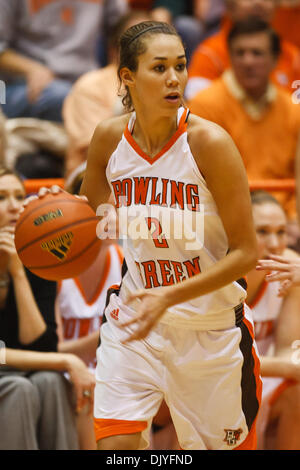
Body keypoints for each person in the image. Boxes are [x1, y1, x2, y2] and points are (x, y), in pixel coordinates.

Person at [79, 20, 261, 450]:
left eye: (180, 65)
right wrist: (52, 213)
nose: (174, 77)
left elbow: (246, 253)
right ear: (128, 77)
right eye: (158, 68)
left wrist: (170, 296)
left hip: (210, 330)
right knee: (117, 450)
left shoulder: (209, 143)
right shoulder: (109, 138)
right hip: (136, 321)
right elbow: (91, 220)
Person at [0, 167, 95, 450]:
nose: (15, 205)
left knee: (51, 382)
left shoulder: (37, 260)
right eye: (2, 197)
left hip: (20, 369)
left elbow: (41, 346)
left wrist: (18, 273)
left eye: (20, 195)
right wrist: (67, 361)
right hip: (11, 377)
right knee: (20, 389)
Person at [188, 18, 300, 222]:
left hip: (285, 223)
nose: (248, 61)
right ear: (229, 57)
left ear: (276, 59)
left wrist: (293, 219)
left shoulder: (294, 111)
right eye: (240, 53)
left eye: (257, 53)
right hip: (225, 222)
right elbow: (199, 183)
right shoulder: (203, 106)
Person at [55, 167, 124, 449]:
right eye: (103, 209)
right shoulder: (52, 266)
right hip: (65, 375)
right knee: (91, 389)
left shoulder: (127, 262)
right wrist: (108, 335)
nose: (113, 218)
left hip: (115, 372)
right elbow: (52, 350)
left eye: (118, 207)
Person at [0, 0, 127, 122]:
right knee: (70, 99)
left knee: (118, 98)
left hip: (86, 81)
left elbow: (123, 30)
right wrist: (31, 69)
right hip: (21, 86)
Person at [63, 10, 151, 177]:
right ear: (114, 49)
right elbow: (98, 149)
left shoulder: (167, 84)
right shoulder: (90, 86)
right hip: (94, 177)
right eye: (139, 41)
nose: (148, 47)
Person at [246, 191, 300, 450]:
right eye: (263, 231)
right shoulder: (214, 274)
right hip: (217, 380)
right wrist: (290, 367)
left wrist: (291, 367)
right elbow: (216, 361)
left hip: (266, 380)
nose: (276, 243)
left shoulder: (292, 268)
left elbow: (289, 352)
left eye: (281, 232)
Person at [186, 0, 300, 100]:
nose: (259, 2)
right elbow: (197, 106)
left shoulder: (292, 55)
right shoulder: (209, 53)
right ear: (230, 6)